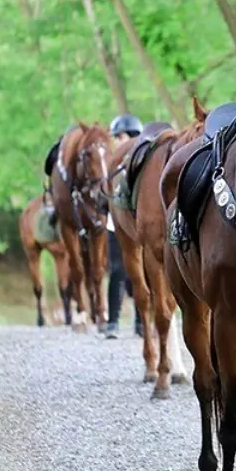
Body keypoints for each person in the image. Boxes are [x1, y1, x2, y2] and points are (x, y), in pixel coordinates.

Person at [105, 113, 145, 340]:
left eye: (118, 137)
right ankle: (113, 321)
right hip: (114, 225)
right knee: (118, 272)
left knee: (139, 275)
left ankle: (140, 322)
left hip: (138, 225)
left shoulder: (141, 161)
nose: (118, 141)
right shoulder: (113, 162)